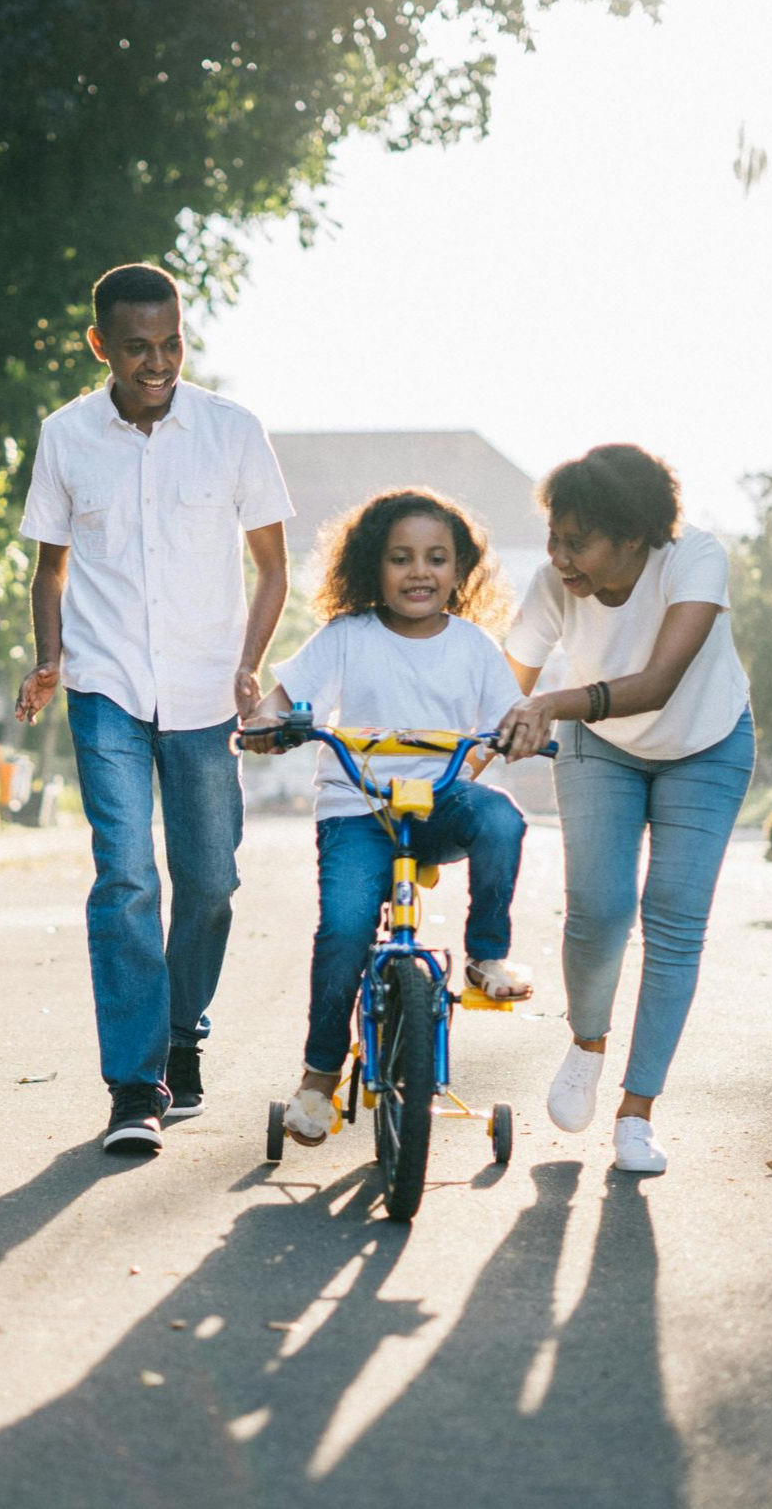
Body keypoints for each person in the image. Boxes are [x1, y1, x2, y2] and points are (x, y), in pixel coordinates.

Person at [14, 262, 293, 1154]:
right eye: (137, 348)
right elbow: (50, 566)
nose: (158, 362)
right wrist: (50, 659)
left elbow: (272, 566)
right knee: (127, 877)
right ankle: (135, 1086)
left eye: (171, 343)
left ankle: (182, 1036)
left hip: (207, 691)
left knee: (209, 883)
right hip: (105, 689)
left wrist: (250, 666)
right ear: (101, 345)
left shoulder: (232, 431)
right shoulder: (65, 436)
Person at [242, 489, 532, 1145]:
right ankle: (318, 1079)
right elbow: (282, 699)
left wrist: (518, 732)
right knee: (344, 930)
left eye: (436, 558)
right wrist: (266, 722)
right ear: (374, 566)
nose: (419, 572)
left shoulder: (474, 647)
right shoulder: (347, 637)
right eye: (400, 558)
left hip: (436, 805)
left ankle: (487, 956)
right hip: (357, 811)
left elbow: (508, 716)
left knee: (502, 820)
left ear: (460, 572)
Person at [499, 444, 754, 1175]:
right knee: (599, 908)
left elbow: (659, 682)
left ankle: (636, 1113)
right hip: (599, 747)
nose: (558, 556)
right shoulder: (554, 584)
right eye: (553, 536)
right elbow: (499, 688)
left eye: (576, 542)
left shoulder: (693, 559)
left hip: (705, 742)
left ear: (633, 538)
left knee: (673, 918)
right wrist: (457, 761)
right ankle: (586, 1043)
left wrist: (548, 702)